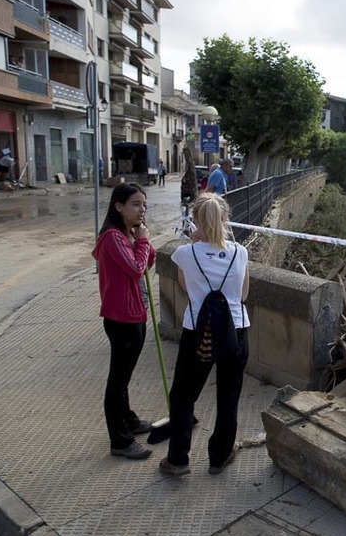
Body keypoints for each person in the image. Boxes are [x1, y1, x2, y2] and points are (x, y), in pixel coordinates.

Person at [159, 193, 250, 477]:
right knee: (228, 395)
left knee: (184, 394)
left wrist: (195, 243)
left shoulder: (185, 253)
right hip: (236, 330)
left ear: (195, 221)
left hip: (198, 331)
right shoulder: (240, 252)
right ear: (226, 219)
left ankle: (178, 459)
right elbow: (243, 295)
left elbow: (185, 286)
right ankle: (219, 456)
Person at [91, 183, 156, 460]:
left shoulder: (126, 235)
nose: (141, 209)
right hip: (121, 318)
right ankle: (119, 440)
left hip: (134, 314)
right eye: (135, 204)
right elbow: (135, 268)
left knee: (124, 377)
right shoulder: (112, 237)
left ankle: (128, 420)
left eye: (143, 204)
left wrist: (143, 239)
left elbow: (147, 261)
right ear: (118, 206)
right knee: (117, 381)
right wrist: (140, 242)